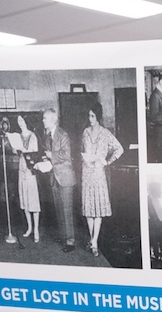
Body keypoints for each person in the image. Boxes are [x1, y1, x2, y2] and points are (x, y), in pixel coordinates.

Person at [80, 102, 124, 256]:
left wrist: (108, 161)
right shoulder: (85, 132)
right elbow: (82, 151)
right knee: (88, 210)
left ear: (98, 116)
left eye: (93, 116)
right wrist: (84, 158)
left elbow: (119, 148)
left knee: (97, 209)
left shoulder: (105, 133)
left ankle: (94, 241)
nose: (90, 118)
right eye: (89, 116)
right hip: (86, 173)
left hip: (98, 173)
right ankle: (93, 241)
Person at [42, 109, 77, 252]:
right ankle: (64, 237)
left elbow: (66, 154)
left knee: (67, 211)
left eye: (45, 118)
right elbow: (47, 152)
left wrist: (51, 155)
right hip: (54, 177)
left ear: (53, 119)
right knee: (59, 210)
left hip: (65, 177)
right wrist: (45, 158)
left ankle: (70, 241)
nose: (43, 120)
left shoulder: (63, 134)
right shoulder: (47, 136)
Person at [14, 115, 42, 242]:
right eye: (18, 121)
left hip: (30, 171)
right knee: (24, 200)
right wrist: (15, 148)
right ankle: (29, 227)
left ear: (26, 121)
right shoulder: (18, 136)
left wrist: (24, 149)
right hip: (21, 171)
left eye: (22, 120)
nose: (20, 123)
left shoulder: (33, 136)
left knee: (33, 201)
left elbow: (34, 153)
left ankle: (36, 229)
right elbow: (16, 153)